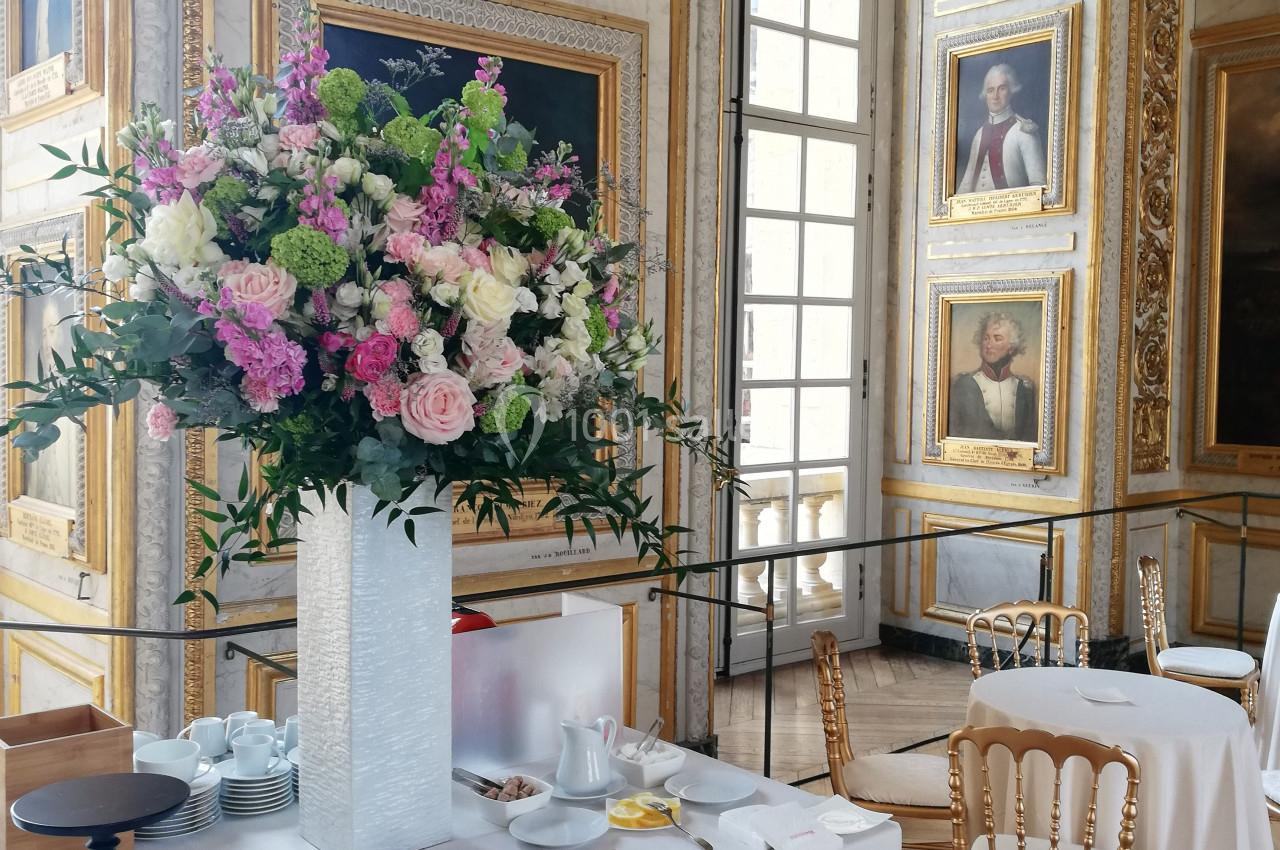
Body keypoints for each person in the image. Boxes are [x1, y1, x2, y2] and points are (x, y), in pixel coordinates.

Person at [956, 63, 1046, 195]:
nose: (995, 96)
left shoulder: (1024, 131)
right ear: (985, 95)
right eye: (990, 90)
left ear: (1012, 90)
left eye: (1002, 88)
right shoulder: (979, 134)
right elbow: (966, 184)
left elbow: (1039, 187)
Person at [948, 312, 1037, 443]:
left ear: (1011, 347)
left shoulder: (1026, 388)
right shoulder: (963, 385)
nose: (988, 345)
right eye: (986, 338)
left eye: (997, 338)